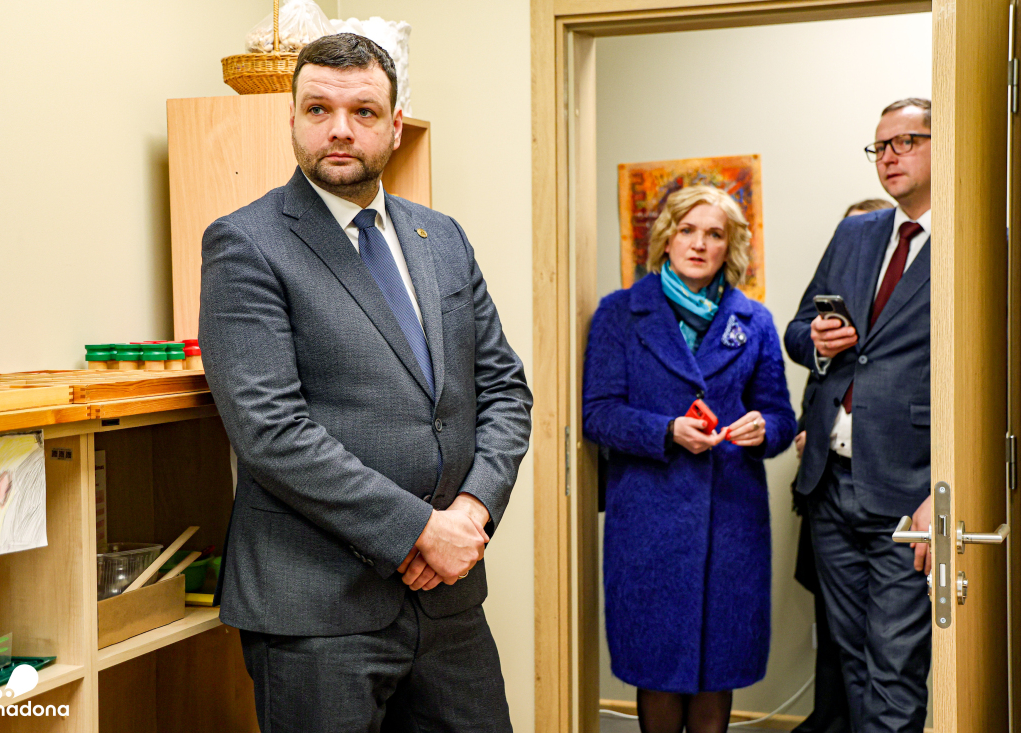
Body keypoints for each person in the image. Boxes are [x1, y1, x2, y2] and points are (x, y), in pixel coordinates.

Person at [198, 34, 533, 733]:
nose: (340, 129)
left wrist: (471, 513)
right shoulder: (247, 243)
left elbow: (505, 389)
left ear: (396, 125)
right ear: (292, 119)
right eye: (318, 109)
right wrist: (419, 530)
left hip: (448, 603)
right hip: (319, 610)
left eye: (364, 111)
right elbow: (271, 432)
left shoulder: (442, 238)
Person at [583, 185, 796, 733]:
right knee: (655, 667)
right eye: (688, 230)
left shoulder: (754, 321)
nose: (699, 244)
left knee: (718, 670)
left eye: (714, 234)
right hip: (648, 522)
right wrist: (666, 431)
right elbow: (598, 414)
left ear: (730, 247)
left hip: (731, 523)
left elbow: (781, 418)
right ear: (666, 238)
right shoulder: (620, 313)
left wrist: (763, 429)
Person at [784, 98, 933, 733]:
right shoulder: (856, 233)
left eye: (907, 142)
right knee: (849, 664)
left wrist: (942, 491)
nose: (889, 157)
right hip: (830, 485)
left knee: (894, 669)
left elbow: (987, 381)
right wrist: (818, 341)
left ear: (944, 146)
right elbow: (796, 332)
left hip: (907, 490)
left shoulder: (973, 237)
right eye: (880, 147)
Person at [791, 197, 890, 733]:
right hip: (826, 482)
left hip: (893, 485)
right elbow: (801, 343)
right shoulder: (837, 299)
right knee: (841, 640)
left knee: (890, 651)